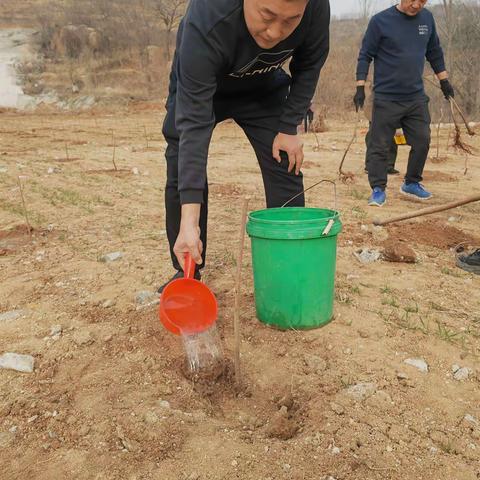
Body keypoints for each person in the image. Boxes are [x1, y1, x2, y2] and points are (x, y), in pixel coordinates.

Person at [159, 0, 330, 291]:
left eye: (290, 21)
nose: (276, 32)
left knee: (285, 161)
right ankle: (187, 271)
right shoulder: (209, 16)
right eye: (267, 16)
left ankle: (287, 270)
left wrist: (290, 125)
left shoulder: (315, 6)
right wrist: (191, 219)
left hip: (263, 89)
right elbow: (195, 125)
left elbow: (311, 62)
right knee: (181, 160)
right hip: (202, 88)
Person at [353, 0, 455, 207]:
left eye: (422, 0)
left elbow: (434, 51)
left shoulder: (427, 19)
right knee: (379, 146)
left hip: (415, 97)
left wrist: (444, 81)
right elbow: (365, 55)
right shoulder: (380, 21)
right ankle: (378, 189)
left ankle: (411, 182)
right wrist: (360, 87)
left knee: (422, 140)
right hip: (386, 97)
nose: (416, 5)